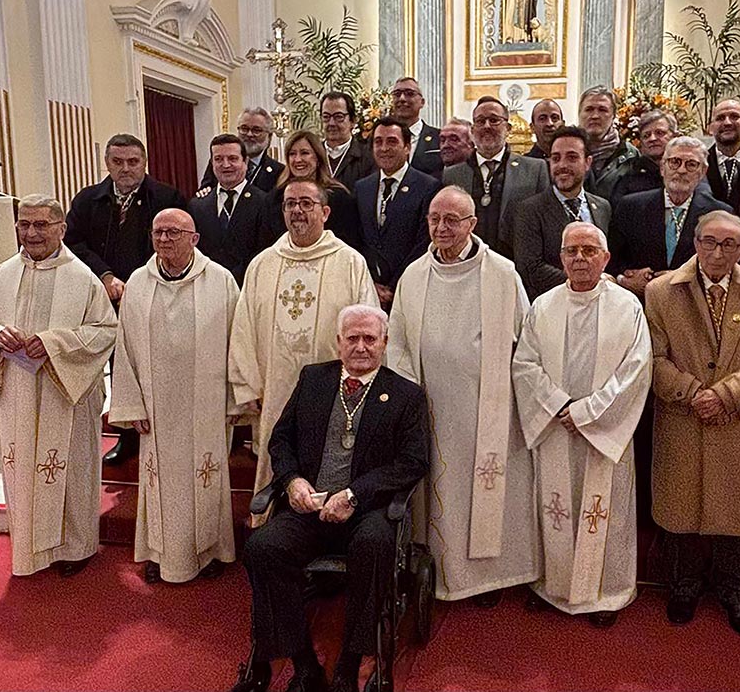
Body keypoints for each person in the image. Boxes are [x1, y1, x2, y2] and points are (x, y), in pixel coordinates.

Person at [230, 305, 430, 692]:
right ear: (338, 342)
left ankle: (351, 661)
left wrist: (355, 494)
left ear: (384, 344)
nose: (360, 347)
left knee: (375, 545)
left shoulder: (406, 396)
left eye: (369, 339)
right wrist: (291, 482)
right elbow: (281, 439)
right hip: (309, 507)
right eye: (352, 338)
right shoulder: (313, 380)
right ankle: (303, 663)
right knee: (262, 547)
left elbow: (412, 462)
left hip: (366, 510)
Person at [387, 187, 539, 604]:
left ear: (472, 224)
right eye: (435, 219)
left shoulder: (502, 274)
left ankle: (486, 577)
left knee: (483, 491)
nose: (442, 228)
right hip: (430, 407)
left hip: (486, 409)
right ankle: (435, 567)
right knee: (441, 493)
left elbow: (526, 342)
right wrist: (405, 396)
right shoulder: (414, 275)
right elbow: (396, 342)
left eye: (452, 220)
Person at [644, 210, 740, 636]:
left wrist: (725, 394)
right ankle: (684, 587)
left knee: (737, 512)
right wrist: (692, 393)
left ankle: (735, 592)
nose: (717, 251)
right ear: (695, 242)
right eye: (708, 241)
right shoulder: (660, 292)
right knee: (680, 508)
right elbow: (651, 357)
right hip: (681, 414)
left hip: (739, 418)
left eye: (728, 244)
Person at [0, 195, 117, 576]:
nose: (31, 233)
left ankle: (75, 547)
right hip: (16, 391)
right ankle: (29, 549)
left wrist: (54, 343)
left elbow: (105, 332)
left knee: (67, 468)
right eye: (24, 224)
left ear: (61, 229)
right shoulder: (3, 274)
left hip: (63, 392)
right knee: (22, 469)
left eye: (41, 225)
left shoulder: (81, 278)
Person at [511, 222, 653, 627]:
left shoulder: (628, 307)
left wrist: (588, 412)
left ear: (606, 258)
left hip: (603, 431)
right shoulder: (544, 306)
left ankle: (606, 593)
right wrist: (560, 406)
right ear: (560, 258)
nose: (580, 258)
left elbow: (636, 372)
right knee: (556, 507)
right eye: (572, 251)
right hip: (556, 427)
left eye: (589, 250)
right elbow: (525, 365)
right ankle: (552, 586)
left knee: (603, 511)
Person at [229, 180, 379, 520]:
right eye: (290, 204)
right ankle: (273, 532)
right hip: (275, 388)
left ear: (325, 212)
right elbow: (243, 327)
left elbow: (368, 327)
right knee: (278, 457)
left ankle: (335, 531)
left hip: (338, 390)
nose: (297, 210)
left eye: (307, 204)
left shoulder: (350, 262)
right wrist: (247, 384)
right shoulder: (263, 264)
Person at [110, 209, 241, 584]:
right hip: (156, 405)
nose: (165, 239)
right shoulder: (138, 282)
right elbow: (126, 346)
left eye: (173, 232)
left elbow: (237, 343)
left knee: (206, 477)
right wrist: (132, 402)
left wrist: (233, 401)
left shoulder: (220, 281)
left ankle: (211, 550)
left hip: (207, 403)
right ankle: (160, 553)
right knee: (159, 482)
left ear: (194, 238)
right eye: (158, 232)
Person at [64, 133, 186, 466]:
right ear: (107, 163)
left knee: (152, 367)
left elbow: (176, 242)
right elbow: (74, 245)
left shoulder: (166, 196)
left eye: (133, 162)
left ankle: (165, 435)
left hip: (154, 296)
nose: (126, 169)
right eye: (117, 162)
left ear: (144, 163)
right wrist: (104, 275)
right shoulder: (88, 200)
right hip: (101, 297)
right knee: (118, 370)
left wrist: (143, 281)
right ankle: (127, 436)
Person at [608, 136, 733, 298]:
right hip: (639, 303)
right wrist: (624, 280)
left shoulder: (719, 214)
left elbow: (725, 267)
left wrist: (681, 277)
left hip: (694, 306)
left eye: (691, 164)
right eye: (675, 162)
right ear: (662, 167)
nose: (681, 170)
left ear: (703, 172)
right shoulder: (631, 206)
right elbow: (611, 259)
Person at [442, 96, 550, 258]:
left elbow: (544, 222)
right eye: (480, 121)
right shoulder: (453, 175)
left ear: (508, 128)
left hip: (518, 265)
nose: (486, 126)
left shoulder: (535, 169)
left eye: (494, 120)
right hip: (466, 265)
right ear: (472, 131)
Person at [513, 126, 612, 300]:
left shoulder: (602, 207)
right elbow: (531, 268)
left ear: (588, 162)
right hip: (552, 306)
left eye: (572, 157)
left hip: (600, 304)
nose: (562, 165)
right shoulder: (530, 210)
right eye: (556, 158)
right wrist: (585, 281)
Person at [354, 117, 440, 309]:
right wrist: (369, 283)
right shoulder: (362, 187)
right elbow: (357, 239)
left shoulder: (428, 186)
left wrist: (395, 286)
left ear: (407, 147)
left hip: (411, 290)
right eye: (378, 142)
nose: (384, 148)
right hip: (369, 292)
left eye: (392, 141)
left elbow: (424, 242)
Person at [189, 133, 271, 285]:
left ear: (245, 162)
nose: (225, 165)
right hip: (207, 287)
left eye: (232, 159)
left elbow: (264, 251)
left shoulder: (264, 202)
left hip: (249, 285)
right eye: (218, 159)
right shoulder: (198, 206)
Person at [269, 129, 362, 250]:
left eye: (304, 153)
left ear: (318, 157)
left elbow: (350, 243)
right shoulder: (275, 197)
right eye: (292, 154)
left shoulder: (339, 197)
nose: (297, 159)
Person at [200, 107, 283, 192]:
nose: (249, 134)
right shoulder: (219, 162)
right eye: (244, 129)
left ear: (269, 136)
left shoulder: (279, 171)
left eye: (256, 130)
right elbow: (205, 191)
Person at [609, 109, 679, 206]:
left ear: (675, 137)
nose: (652, 139)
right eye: (646, 135)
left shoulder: (687, 169)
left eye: (659, 133)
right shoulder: (630, 176)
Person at [578, 86, 638, 200]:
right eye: (589, 109)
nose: (595, 116)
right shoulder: (566, 152)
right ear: (580, 114)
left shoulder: (630, 155)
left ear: (613, 116)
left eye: (602, 110)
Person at [389, 77, 442, 179]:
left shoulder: (439, 138)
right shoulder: (381, 140)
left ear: (422, 102)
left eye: (409, 93)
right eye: (397, 94)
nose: (402, 98)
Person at [321, 91, 376, 188]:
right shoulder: (313, 153)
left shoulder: (368, 156)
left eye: (339, 117)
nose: (331, 123)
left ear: (353, 121)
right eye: (326, 117)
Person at [707, 99, 740, 203]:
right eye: (720, 118)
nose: (727, 122)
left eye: (734, 117)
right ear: (711, 127)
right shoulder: (700, 162)